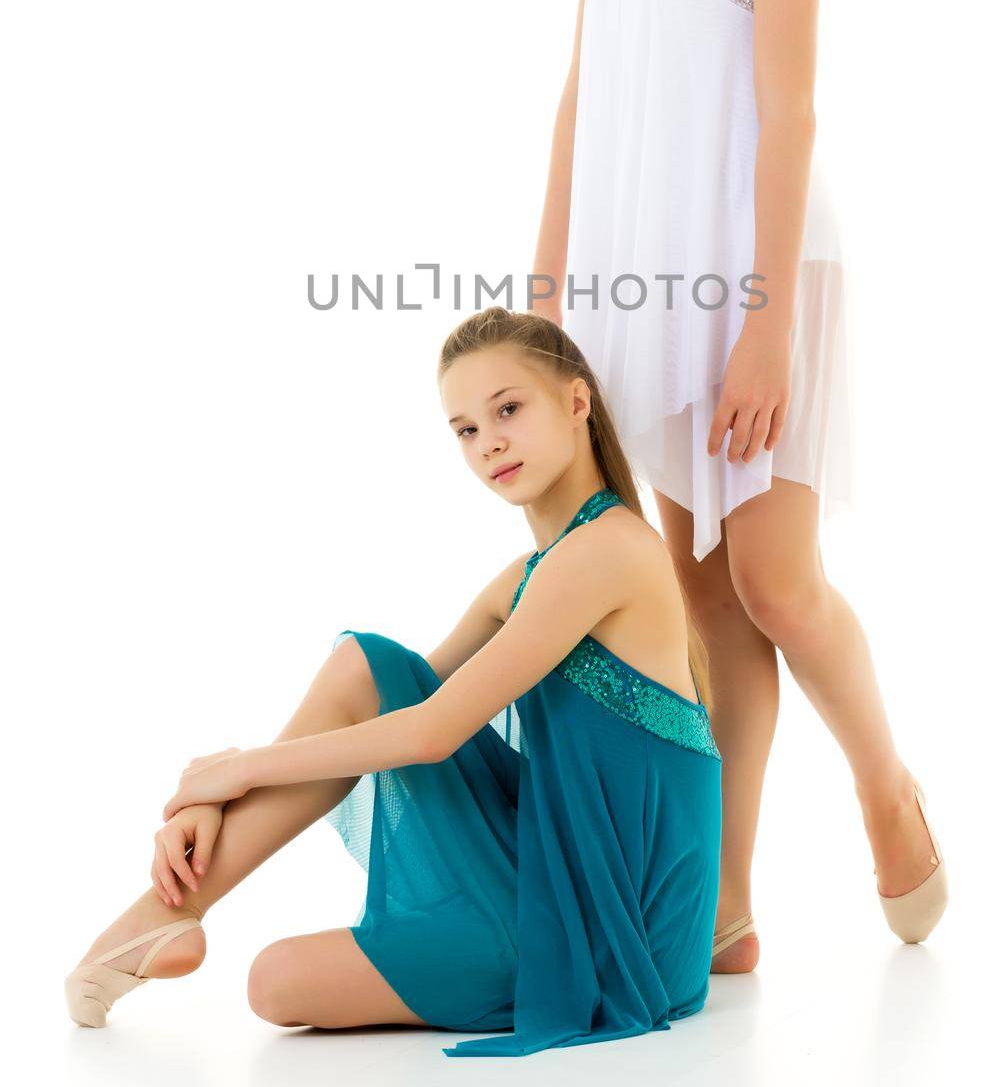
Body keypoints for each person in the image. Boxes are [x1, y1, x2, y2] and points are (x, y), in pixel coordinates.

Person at [533, 0, 947, 970]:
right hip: (633, 265)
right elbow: (585, 91)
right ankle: (728, 902)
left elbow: (787, 115)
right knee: (700, 594)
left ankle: (884, 786)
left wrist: (763, 329)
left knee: (772, 581)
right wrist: (547, 284)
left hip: (759, 262)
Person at [65, 307, 723, 1057]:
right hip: (552, 873)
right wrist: (219, 797)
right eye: (466, 430)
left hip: (614, 936)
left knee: (274, 981)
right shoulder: (528, 578)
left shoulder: (607, 552)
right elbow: (372, 707)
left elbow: (431, 733)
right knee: (363, 663)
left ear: (576, 402)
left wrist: (234, 769)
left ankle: (158, 916)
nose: (489, 443)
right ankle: (164, 916)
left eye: (508, 408)